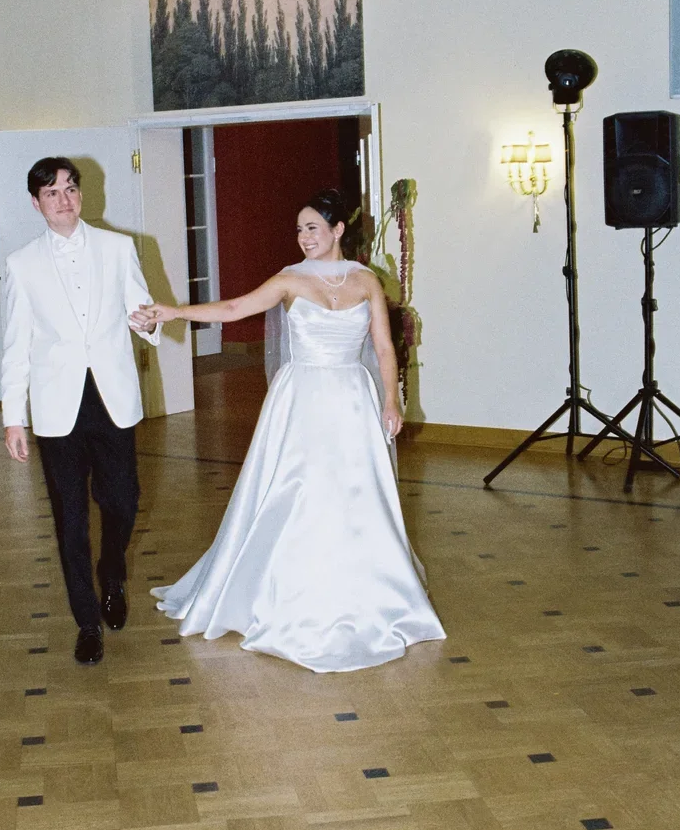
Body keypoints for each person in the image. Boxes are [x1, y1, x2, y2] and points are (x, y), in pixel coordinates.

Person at [130, 188, 445, 673]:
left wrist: (391, 398)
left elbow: (384, 348)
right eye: (298, 229)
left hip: (353, 398)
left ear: (338, 230)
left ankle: (371, 589)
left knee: (357, 494)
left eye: (312, 228)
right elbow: (234, 309)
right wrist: (174, 312)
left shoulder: (367, 282)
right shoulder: (288, 280)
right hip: (302, 399)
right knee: (299, 491)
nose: (303, 238)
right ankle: (289, 591)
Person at [2, 157, 158, 665]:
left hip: (112, 399)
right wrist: (12, 416)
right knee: (70, 519)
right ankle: (86, 621)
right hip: (56, 406)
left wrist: (149, 323)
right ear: (36, 203)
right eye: (52, 194)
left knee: (123, 502)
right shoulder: (22, 264)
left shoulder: (118, 248)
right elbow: (16, 346)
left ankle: (112, 571)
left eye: (70, 189)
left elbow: (144, 315)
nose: (63, 200)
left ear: (81, 195)